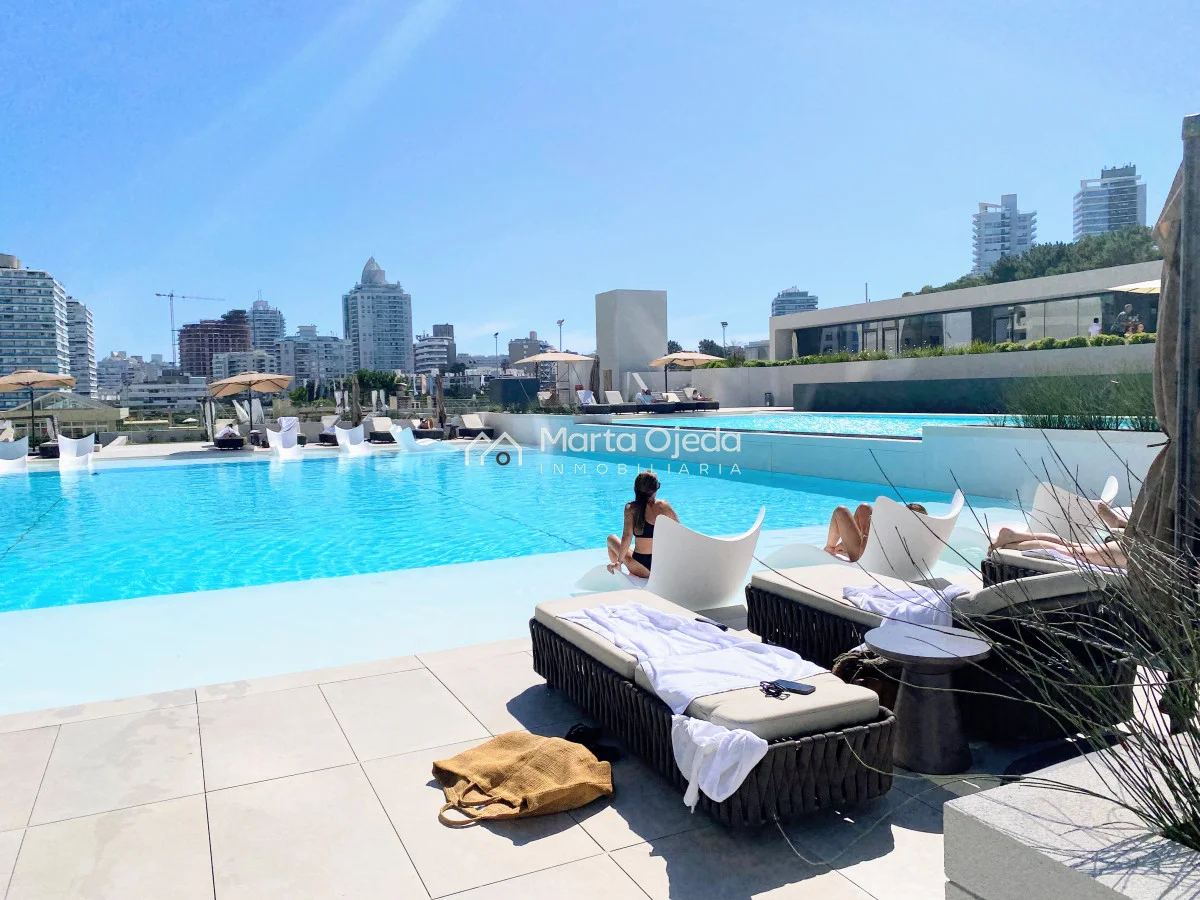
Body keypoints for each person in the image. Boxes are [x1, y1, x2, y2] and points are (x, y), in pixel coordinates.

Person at [607, 471, 677, 577]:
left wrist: (619, 561)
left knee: (611, 538)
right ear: (655, 488)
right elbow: (680, 531)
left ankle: (617, 572)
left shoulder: (631, 508)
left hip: (641, 567)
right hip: (661, 566)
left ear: (636, 488)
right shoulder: (664, 506)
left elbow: (627, 537)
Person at [823, 500, 927, 563]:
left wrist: (867, 530)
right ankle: (844, 546)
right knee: (864, 508)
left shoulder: (903, 535)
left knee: (840, 511)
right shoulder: (920, 535)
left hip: (866, 561)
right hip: (871, 554)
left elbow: (864, 557)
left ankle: (830, 548)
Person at [989, 526, 1126, 569]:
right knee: (1066, 551)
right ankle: (1011, 545)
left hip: (1126, 550)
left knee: (1070, 546)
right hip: (1125, 555)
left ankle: (1013, 537)